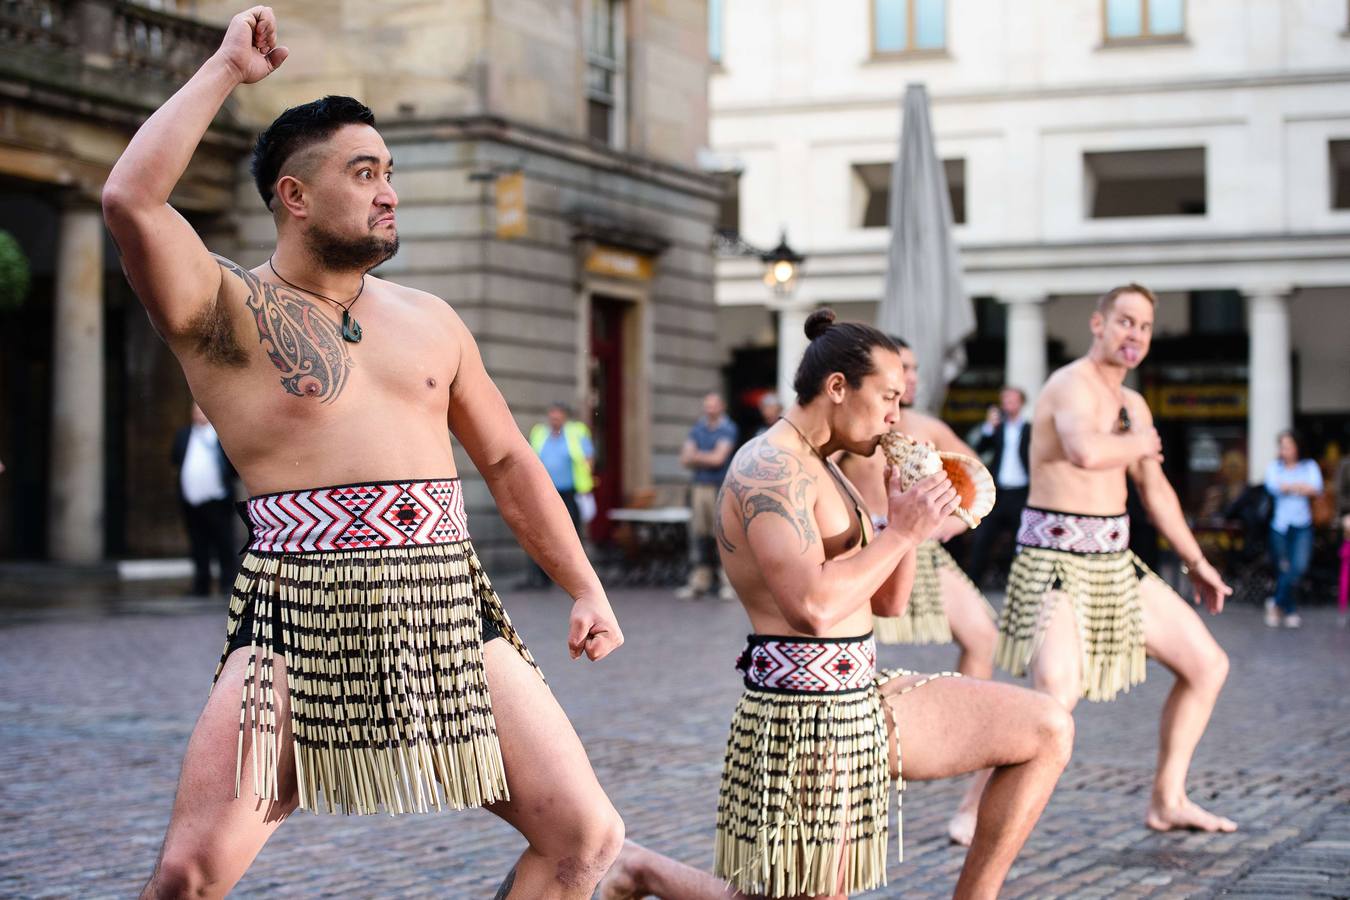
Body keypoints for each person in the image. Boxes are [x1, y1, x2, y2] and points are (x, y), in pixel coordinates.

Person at [103, 10, 624, 897]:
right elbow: (130, 200)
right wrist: (227, 68)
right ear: (294, 196)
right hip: (297, 619)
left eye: (390, 172)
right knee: (190, 875)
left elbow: (505, 461)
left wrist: (583, 583)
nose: (388, 191)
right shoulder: (223, 311)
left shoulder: (431, 320)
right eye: (364, 172)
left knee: (583, 835)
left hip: (447, 604)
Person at [602, 311, 1072, 900]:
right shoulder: (768, 469)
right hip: (802, 719)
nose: (896, 417)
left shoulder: (834, 469)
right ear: (837, 388)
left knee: (1045, 729)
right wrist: (899, 534)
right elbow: (813, 609)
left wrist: (909, 525)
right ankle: (640, 869)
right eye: (888, 398)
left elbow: (888, 603)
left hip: (863, 697)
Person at [994, 282, 1236, 834]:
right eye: (1125, 321)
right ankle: (977, 810)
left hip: (1114, 563)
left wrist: (1197, 562)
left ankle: (1167, 799)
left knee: (1207, 665)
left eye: (1145, 327)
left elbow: (1156, 492)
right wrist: (1141, 444)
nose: (1136, 335)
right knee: (1055, 698)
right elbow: (1085, 451)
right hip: (1054, 562)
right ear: (1098, 324)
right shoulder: (1069, 384)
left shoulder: (1134, 404)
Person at [836, 336, 999, 848]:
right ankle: (856, 776)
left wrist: (938, 527)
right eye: (898, 368)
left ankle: (969, 788)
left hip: (921, 551)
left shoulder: (927, 427)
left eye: (913, 369)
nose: (906, 379)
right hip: (865, 551)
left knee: (983, 636)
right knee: (857, 660)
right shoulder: (856, 429)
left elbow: (976, 485)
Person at [967, 385, 1031, 589]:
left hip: (1021, 492)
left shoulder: (1030, 429)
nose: (1008, 404)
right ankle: (973, 583)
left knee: (1020, 541)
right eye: (1005, 400)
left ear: (1021, 403)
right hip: (999, 492)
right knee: (983, 536)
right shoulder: (997, 428)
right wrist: (988, 427)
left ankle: (1015, 583)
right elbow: (979, 449)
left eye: (1012, 400)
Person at [172, 402, 239, 596]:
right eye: (195, 411)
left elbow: (232, 466)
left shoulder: (220, 436)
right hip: (191, 501)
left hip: (217, 500)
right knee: (198, 544)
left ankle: (228, 584)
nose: (198, 415)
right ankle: (201, 584)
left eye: (202, 410)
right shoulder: (184, 435)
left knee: (224, 543)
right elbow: (176, 459)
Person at [676, 392, 738, 601]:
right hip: (699, 487)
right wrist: (704, 457)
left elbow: (718, 459)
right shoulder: (698, 428)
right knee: (699, 536)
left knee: (721, 535)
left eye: (713, 405)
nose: (709, 409)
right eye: (707, 405)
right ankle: (699, 582)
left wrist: (697, 456)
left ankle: (727, 583)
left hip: (718, 487)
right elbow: (685, 458)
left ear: (721, 407)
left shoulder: (728, 428)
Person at [526, 402, 594, 585]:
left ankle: (576, 578)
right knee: (540, 533)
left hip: (569, 494)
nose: (554, 418)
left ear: (565, 416)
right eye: (552, 415)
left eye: (558, 415)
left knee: (570, 536)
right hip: (544, 494)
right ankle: (541, 577)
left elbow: (588, 459)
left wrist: (586, 486)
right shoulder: (540, 434)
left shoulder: (576, 433)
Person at [1263, 430, 1322, 629]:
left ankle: (1276, 603)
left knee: (1299, 566)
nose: (1284, 450)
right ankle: (1290, 610)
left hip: (1302, 525)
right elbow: (1272, 486)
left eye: (1288, 446)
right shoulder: (1275, 467)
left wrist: (1290, 486)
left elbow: (1316, 488)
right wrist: (1298, 487)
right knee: (1283, 568)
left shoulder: (1309, 466)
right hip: (1280, 525)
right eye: (1282, 447)